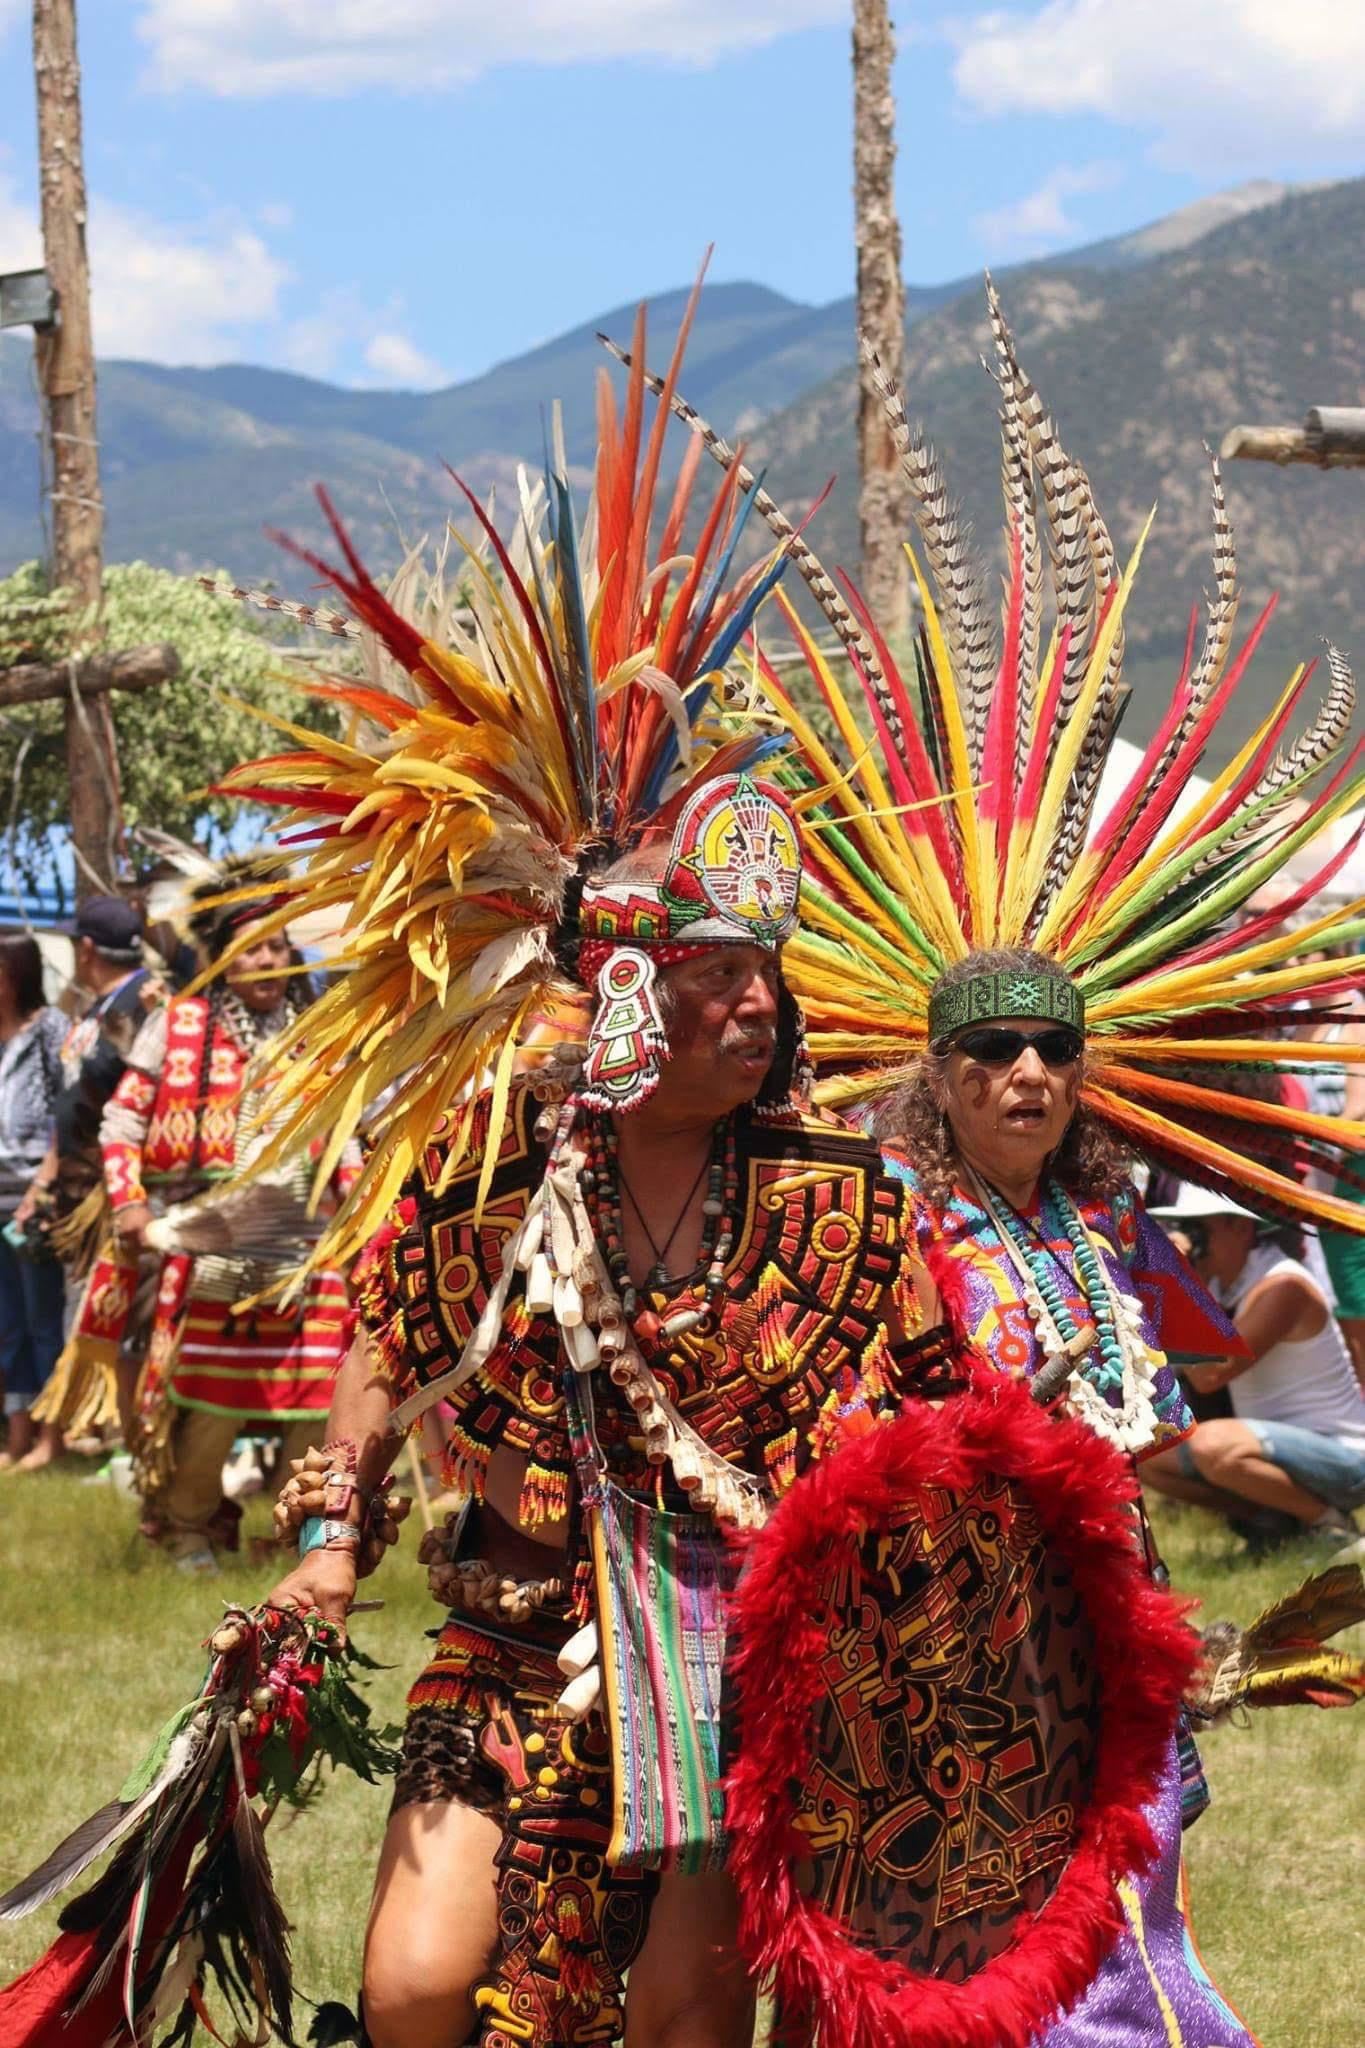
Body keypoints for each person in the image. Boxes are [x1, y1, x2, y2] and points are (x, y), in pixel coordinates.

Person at [720, 281, 1365, 2043]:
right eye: (992, 1048)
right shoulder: (871, 1213)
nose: (1025, 1071)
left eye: (1054, 1049)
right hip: (938, 1645)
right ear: (934, 1065)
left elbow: (1150, 1398)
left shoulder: (1095, 1218)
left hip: (1096, 1630)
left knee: (1117, 1933)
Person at [82, 874, 358, 1569]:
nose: (267, 963)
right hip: (216, 1244)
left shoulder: (317, 1031)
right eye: (251, 950)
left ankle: (303, 1536)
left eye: (277, 948)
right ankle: (187, 1526)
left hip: (309, 1245)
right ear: (222, 960)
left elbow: (346, 1130)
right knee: (211, 1405)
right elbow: (121, 1120)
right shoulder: (178, 1028)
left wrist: (361, 1220)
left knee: (314, 1401)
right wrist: (131, 1204)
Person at [1143, 1186, 1365, 1547]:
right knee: (1152, 1453)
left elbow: (1210, 1375)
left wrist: (1172, 1284)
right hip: (1276, 1451)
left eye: (1201, 1228)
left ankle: (1332, 1527)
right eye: (1186, 1226)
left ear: (1242, 1230)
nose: (1192, 1238)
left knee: (1210, 1445)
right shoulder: (1221, 1286)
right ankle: (1276, 1523)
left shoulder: (1284, 1285)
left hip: (1344, 1460)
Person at [0, 932, 68, 1470]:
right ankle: (17, 1439)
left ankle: (51, 1439)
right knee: (9, 1324)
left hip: (34, 1200)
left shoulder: (49, 1028)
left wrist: (44, 1184)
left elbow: (67, 1112)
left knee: (44, 1321)